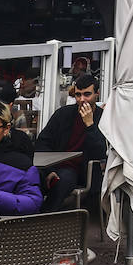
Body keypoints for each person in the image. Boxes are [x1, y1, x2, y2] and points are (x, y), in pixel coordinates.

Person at [35, 74, 106, 212]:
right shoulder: (64, 114)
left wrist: (90, 125)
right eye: (78, 95)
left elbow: (101, 151)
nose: (82, 99)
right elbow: (43, 142)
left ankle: (43, 218)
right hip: (55, 165)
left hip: (84, 170)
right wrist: (49, 170)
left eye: (87, 94)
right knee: (30, 175)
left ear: (97, 94)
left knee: (63, 180)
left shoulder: (103, 117)